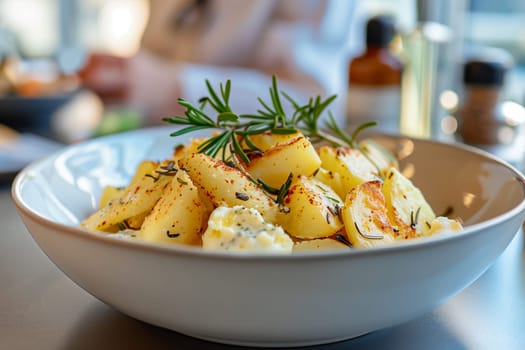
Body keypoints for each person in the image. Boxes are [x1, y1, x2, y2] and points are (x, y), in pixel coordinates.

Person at [127, 0, 333, 124]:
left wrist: (172, 86)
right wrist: (123, 79)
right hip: (152, 153)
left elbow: (312, 108)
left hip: (249, 163)